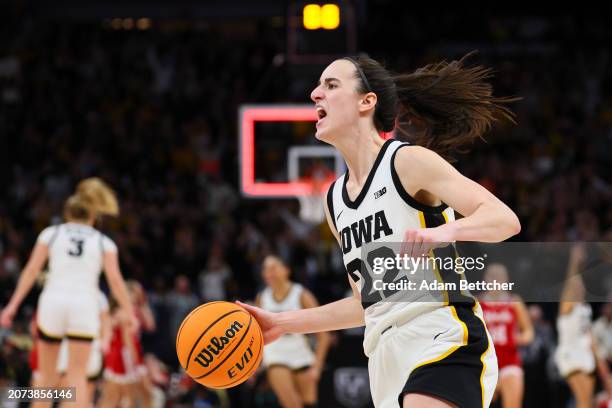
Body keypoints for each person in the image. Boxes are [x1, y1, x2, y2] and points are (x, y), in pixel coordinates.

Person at [239, 53, 521, 408]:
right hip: (385, 359)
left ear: (366, 101)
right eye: (318, 86)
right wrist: (282, 323)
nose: (315, 94)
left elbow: (503, 219)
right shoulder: (335, 201)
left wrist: (443, 232)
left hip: (442, 338)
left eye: (330, 85)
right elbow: (366, 303)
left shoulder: (406, 162)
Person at [0, 178, 136, 408]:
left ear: (66, 213)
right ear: (94, 217)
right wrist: (130, 313)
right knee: (77, 378)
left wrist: (12, 306)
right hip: (84, 305)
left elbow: (32, 270)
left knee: (45, 378)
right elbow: (115, 280)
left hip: (53, 301)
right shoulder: (104, 242)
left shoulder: (50, 234)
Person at [256, 255, 331, 408]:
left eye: (273, 268)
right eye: (265, 269)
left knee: (309, 404)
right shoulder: (261, 298)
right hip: (275, 357)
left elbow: (324, 337)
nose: (268, 272)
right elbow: (256, 335)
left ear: (286, 270)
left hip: (302, 356)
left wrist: (317, 367)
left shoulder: (302, 294)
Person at [479, 263, 534, 408]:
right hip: (484, 362)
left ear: (506, 280)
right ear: (485, 279)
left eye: (500, 277)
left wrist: (516, 338)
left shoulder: (514, 302)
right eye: (492, 277)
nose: (496, 281)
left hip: (509, 360)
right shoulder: (477, 302)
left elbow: (529, 332)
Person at [555, 243, 601, 408]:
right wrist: (574, 260)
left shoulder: (584, 308)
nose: (578, 286)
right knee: (582, 402)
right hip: (571, 353)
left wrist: (601, 365)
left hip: (585, 354)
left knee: (588, 403)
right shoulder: (567, 307)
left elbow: (591, 339)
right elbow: (571, 281)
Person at [100, 280, 155, 408]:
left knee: (140, 395)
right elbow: (127, 341)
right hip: (125, 356)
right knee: (121, 398)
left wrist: (143, 304)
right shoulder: (123, 313)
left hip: (129, 354)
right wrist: (135, 363)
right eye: (134, 293)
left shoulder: (132, 310)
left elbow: (151, 326)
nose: (138, 296)